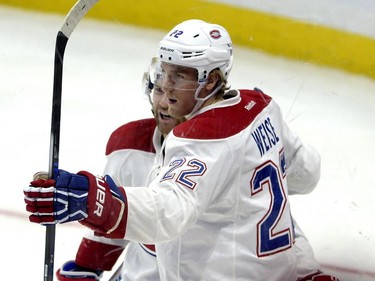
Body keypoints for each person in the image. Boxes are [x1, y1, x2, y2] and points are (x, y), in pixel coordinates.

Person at [24, 20, 340, 281]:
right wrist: (86, 266)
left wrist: (93, 199)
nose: (164, 99)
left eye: (180, 81)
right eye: (162, 80)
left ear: (212, 82)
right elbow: (306, 174)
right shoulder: (260, 107)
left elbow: (169, 210)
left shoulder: (202, 138)